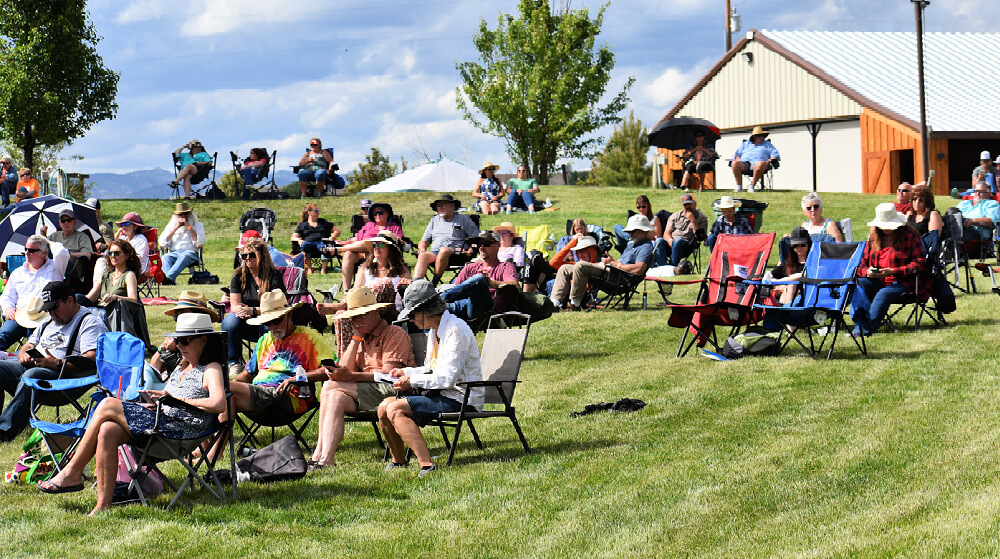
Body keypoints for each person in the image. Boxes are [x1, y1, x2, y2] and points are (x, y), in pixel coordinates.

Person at [37, 312, 224, 516]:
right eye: (178, 341)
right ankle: (103, 505)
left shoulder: (211, 368)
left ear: (204, 340)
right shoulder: (181, 367)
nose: (180, 346)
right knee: (108, 429)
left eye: (185, 341)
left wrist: (180, 401)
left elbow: (218, 402)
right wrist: (161, 396)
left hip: (181, 433)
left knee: (108, 403)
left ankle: (72, 472)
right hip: (162, 423)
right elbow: (172, 394)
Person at [378, 280, 483, 477]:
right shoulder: (434, 330)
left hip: (462, 397)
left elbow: (448, 379)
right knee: (384, 406)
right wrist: (408, 373)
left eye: (412, 314)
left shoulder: (455, 330)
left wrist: (412, 381)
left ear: (427, 310)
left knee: (395, 408)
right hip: (443, 393)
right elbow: (432, 369)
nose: (410, 319)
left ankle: (427, 465)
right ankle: (399, 461)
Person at [310, 286, 416, 471]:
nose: (357, 321)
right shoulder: (362, 337)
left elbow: (390, 375)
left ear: (376, 312)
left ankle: (319, 455)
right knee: (335, 396)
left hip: (395, 390)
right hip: (367, 392)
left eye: (362, 315)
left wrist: (350, 376)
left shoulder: (393, 333)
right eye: (353, 317)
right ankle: (324, 458)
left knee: (330, 386)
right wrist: (356, 338)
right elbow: (346, 369)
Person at [0, 281, 107, 442]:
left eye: (54, 307)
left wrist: (56, 363)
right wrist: (23, 354)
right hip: (36, 367)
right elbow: (30, 343)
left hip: (65, 379)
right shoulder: (49, 319)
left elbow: (92, 360)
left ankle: (4, 432)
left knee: (32, 375)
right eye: (48, 309)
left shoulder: (89, 322)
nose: (51, 312)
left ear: (70, 300)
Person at [227, 291, 333, 437]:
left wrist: (298, 379)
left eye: (277, 320)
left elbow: (331, 370)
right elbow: (247, 374)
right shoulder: (265, 339)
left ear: (289, 315)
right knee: (222, 391)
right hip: (260, 397)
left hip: (289, 397)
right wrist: (231, 382)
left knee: (223, 390)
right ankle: (212, 448)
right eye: (268, 323)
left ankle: (212, 452)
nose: (273, 326)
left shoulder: (310, 337)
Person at [320, 230, 412, 355]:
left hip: (389, 311)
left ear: (391, 249)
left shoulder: (401, 270)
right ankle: (345, 361)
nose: (377, 248)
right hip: (365, 311)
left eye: (381, 244)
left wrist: (407, 284)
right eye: (374, 245)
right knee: (341, 316)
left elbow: (410, 292)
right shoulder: (365, 269)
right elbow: (355, 292)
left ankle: (343, 305)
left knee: (385, 283)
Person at [850, 203, 928, 336]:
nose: (886, 229)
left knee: (884, 293)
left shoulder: (909, 236)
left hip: (903, 282)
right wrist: (868, 272)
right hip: (877, 280)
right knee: (857, 284)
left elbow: (920, 264)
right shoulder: (873, 238)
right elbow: (860, 264)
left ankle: (867, 328)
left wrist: (893, 271)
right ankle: (860, 323)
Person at [549, 214, 655, 311]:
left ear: (643, 230)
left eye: (633, 231)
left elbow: (638, 269)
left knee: (581, 265)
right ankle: (554, 304)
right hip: (613, 272)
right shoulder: (632, 244)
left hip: (619, 280)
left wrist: (614, 264)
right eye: (629, 231)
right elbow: (623, 263)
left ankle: (575, 304)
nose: (630, 234)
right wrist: (611, 262)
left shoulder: (645, 248)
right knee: (564, 268)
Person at [224, 237, 286, 377]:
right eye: (244, 255)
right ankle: (235, 363)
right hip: (246, 323)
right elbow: (234, 304)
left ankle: (265, 361)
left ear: (262, 255)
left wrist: (253, 311)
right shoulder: (239, 275)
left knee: (268, 322)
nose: (247, 258)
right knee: (230, 321)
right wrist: (241, 311)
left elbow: (278, 306)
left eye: (251, 255)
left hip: (267, 320)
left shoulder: (273, 276)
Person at [0, 235, 69, 350]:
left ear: (43, 252)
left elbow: (62, 252)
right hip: (20, 316)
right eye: (26, 249)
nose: (27, 253)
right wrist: (8, 308)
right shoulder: (18, 273)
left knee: (34, 349)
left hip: (45, 318)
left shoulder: (55, 268)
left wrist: (46, 240)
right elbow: (7, 296)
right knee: (2, 336)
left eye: (32, 250)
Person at [147, 290, 220, 389]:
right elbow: (154, 370)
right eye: (176, 316)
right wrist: (161, 349)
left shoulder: (210, 347)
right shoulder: (175, 341)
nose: (179, 319)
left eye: (183, 314)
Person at [441, 231, 518, 322]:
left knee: (480, 279)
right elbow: (456, 289)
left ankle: (438, 299)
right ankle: (433, 303)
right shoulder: (470, 268)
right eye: (479, 244)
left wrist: (491, 282)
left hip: (487, 308)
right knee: (427, 311)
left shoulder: (505, 266)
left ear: (498, 245)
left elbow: (514, 285)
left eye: (486, 244)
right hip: (462, 305)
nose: (481, 248)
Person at [326, 202, 403, 292]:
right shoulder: (369, 226)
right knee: (348, 255)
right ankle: (346, 290)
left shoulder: (394, 227)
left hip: (381, 252)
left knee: (370, 242)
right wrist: (342, 242)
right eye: (375, 213)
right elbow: (356, 239)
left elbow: (399, 240)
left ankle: (339, 250)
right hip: (362, 252)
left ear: (387, 214)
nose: (377, 215)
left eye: (380, 213)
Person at [413, 194, 480, 283]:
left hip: (457, 255)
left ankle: (434, 283)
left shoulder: (463, 219)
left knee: (444, 251)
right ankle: (415, 285)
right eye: (438, 206)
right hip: (436, 252)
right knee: (423, 256)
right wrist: (422, 249)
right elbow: (424, 240)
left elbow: (477, 237)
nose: (440, 208)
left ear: (452, 206)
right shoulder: (434, 220)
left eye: (442, 205)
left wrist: (470, 251)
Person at [524, 220, 601, 294]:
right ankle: (526, 297)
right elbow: (553, 262)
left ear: (592, 252)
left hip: (564, 288)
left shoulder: (597, 267)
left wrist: (564, 276)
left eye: (584, 251)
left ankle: (526, 297)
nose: (580, 254)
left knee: (541, 268)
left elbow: (583, 287)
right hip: (558, 276)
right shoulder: (574, 263)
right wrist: (572, 242)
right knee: (531, 263)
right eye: (578, 251)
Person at [78, 239, 140, 307]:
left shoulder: (129, 275)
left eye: (116, 253)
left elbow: (133, 300)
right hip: (101, 312)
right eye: (110, 253)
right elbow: (92, 297)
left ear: (127, 255)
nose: (113, 256)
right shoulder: (106, 275)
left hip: (117, 313)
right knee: (78, 297)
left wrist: (115, 298)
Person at [43, 207, 93, 289]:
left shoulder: (82, 237)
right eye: (63, 221)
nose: (66, 223)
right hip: (54, 266)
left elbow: (87, 255)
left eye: (69, 220)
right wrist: (43, 235)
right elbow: (42, 248)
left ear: (74, 222)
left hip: (72, 269)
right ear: (59, 223)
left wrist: (68, 254)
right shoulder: (54, 236)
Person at [159, 202, 205, 285]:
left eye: (185, 214)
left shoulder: (197, 225)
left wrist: (189, 227)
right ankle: (169, 280)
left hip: (190, 253)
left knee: (185, 255)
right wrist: (175, 228)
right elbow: (162, 242)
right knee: (165, 257)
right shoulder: (171, 226)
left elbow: (200, 241)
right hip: (174, 253)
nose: (182, 217)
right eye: (180, 215)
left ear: (189, 214)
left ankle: (168, 278)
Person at [290, 203, 339, 275]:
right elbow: (293, 237)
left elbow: (337, 231)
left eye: (318, 210)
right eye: (316, 210)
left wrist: (332, 238)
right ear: (309, 212)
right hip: (309, 243)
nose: (318, 212)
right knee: (304, 245)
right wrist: (299, 240)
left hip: (321, 242)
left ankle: (323, 269)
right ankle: (309, 268)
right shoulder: (303, 224)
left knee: (325, 246)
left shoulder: (323, 222)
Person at [660, 193, 708, 266]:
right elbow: (666, 233)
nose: (688, 206)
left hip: (687, 245)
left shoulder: (702, 218)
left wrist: (693, 220)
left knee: (677, 241)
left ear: (695, 204)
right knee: (659, 241)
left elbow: (700, 237)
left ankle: (672, 267)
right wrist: (670, 240)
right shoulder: (675, 216)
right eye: (685, 205)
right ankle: (662, 268)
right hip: (672, 243)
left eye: (689, 204)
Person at [767, 226, 811, 305]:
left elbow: (802, 275)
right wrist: (780, 286)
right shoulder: (789, 264)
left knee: (792, 284)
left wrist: (780, 282)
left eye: (802, 245)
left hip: (807, 299)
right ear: (791, 247)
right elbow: (770, 276)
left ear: (808, 245)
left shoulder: (814, 263)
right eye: (795, 245)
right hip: (786, 299)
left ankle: (787, 312)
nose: (799, 248)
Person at [731, 125, 779, 192]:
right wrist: (737, 158)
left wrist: (769, 160)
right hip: (745, 163)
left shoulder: (768, 144)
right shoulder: (745, 144)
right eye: (760, 135)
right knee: (734, 163)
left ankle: (752, 186)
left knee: (760, 164)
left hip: (760, 163)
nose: (762, 137)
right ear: (754, 137)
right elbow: (736, 154)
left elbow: (775, 155)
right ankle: (739, 187)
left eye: (763, 136)